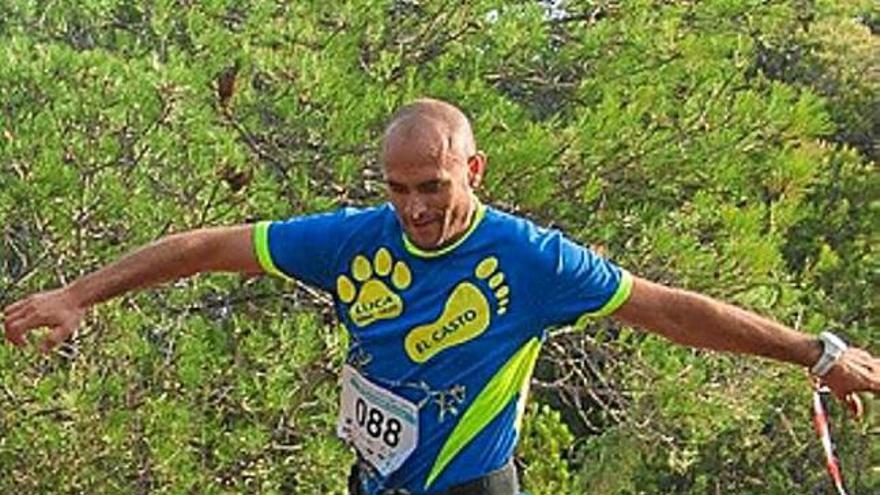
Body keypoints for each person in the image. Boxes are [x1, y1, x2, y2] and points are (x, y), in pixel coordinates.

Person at [3, 98, 878, 495]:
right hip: (373, 477)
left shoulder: (531, 259)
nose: (416, 208)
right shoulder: (352, 238)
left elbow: (669, 309)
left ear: (473, 168)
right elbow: (209, 246)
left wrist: (814, 350)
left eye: (432, 185)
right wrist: (80, 291)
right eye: (399, 189)